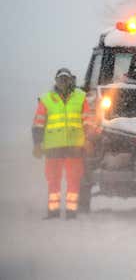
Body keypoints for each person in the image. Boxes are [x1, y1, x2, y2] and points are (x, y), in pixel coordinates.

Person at [32, 68, 94, 220]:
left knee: (74, 180)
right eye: (61, 79)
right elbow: (38, 124)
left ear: (71, 80)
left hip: (74, 147)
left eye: (66, 79)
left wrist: (89, 140)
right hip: (53, 148)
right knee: (53, 180)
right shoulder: (46, 99)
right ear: (56, 80)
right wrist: (37, 144)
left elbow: (88, 121)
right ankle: (53, 211)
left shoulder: (80, 98)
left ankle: (71, 211)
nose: (63, 82)